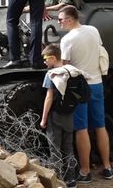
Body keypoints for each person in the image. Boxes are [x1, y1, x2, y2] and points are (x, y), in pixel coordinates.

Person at [58, 5, 113, 183]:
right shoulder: (93, 30)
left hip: (79, 88)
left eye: (60, 19)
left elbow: (64, 66)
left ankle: (85, 171)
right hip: (97, 83)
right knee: (100, 125)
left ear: (69, 19)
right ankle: (107, 167)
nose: (59, 22)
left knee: (81, 129)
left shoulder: (67, 40)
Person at [40, 44, 86, 188]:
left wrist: (43, 119)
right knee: (68, 147)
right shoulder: (71, 71)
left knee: (55, 148)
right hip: (69, 114)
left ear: (53, 58)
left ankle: (57, 180)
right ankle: (71, 179)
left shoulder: (52, 74)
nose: (45, 62)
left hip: (55, 116)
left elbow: (49, 97)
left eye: (46, 59)